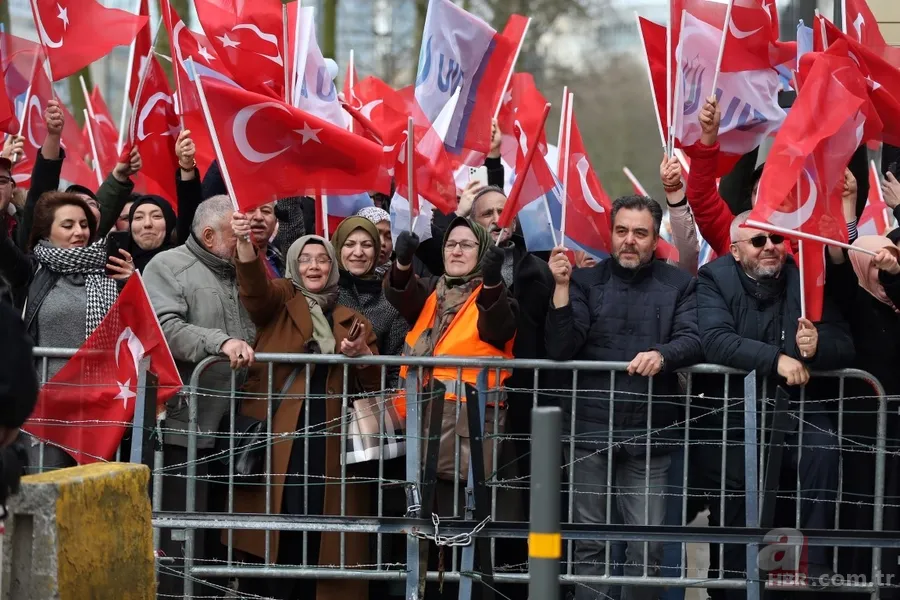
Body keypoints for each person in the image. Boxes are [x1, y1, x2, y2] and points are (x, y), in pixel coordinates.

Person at [545, 194, 703, 600]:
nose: (629, 240)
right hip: (588, 431)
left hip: (650, 435)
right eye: (621, 231)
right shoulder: (583, 282)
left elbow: (693, 338)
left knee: (645, 546)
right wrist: (561, 288)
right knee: (589, 543)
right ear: (610, 235)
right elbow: (562, 346)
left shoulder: (679, 285)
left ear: (654, 240)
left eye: (639, 233)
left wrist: (663, 355)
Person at [694, 211, 855, 597]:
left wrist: (816, 348)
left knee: (823, 450)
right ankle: (733, 588)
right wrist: (775, 359)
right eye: (759, 241)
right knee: (738, 512)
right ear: (734, 251)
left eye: (777, 240)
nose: (770, 247)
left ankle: (814, 569)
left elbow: (844, 341)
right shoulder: (713, 278)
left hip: (793, 406)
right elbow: (715, 339)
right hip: (736, 413)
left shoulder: (801, 278)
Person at [229, 212, 380, 600]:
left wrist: (361, 353)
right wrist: (246, 245)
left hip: (332, 444)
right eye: (306, 259)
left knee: (324, 530)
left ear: (333, 266)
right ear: (294, 264)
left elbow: (376, 383)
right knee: (281, 525)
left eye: (323, 259)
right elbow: (255, 289)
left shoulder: (354, 321)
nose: (315, 266)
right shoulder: (280, 299)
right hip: (283, 439)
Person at [385, 219, 517, 598]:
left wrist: (492, 282)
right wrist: (403, 262)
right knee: (423, 537)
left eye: (466, 245)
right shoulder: (434, 291)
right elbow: (401, 293)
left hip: (467, 438)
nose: (456, 251)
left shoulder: (497, 296)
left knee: (468, 541)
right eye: (450, 245)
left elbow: (498, 325)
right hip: (424, 430)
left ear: (482, 256)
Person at [142, 194, 257, 598]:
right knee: (178, 540)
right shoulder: (167, 266)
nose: (244, 237)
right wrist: (220, 342)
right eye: (234, 231)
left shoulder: (240, 269)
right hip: (181, 429)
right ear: (209, 235)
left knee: (214, 542)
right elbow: (165, 328)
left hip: (230, 433)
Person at [0, 192, 133, 471]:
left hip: (100, 408)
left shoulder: (112, 271)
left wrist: (131, 285)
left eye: (84, 224)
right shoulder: (31, 271)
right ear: (46, 231)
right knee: (50, 497)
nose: (79, 232)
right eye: (68, 225)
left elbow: (134, 332)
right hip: (48, 411)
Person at [826, 236, 900, 595]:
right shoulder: (856, 305)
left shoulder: (895, 303)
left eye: (888, 260)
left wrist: (894, 274)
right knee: (862, 510)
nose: (881, 268)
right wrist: (838, 241)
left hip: (895, 433)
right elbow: (840, 280)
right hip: (862, 434)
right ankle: (858, 584)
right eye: (873, 263)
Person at [332, 216, 408, 384]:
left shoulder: (390, 302)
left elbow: (395, 368)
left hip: (369, 403)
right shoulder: (325, 293)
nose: (358, 252)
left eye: (366, 245)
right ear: (337, 248)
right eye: (349, 244)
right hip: (323, 403)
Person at [127, 195, 176, 272]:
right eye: (138, 217)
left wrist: (133, 279)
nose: (147, 224)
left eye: (156, 216)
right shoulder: (117, 266)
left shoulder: (183, 263)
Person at [356, 206, 393, 277]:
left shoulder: (399, 280)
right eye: (375, 234)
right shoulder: (336, 279)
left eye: (389, 237)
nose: (382, 242)